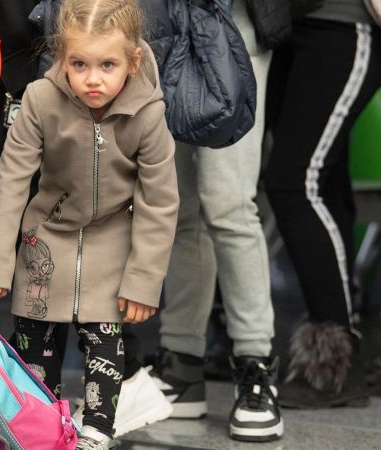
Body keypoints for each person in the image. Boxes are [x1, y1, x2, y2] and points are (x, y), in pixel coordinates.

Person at [0, 0, 180, 447]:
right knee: (35, 354)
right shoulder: (41, 99)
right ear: (61, 57)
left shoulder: (148, 112)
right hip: (44, 243)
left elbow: (159, 202)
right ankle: (40, 428)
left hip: (111, 247)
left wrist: (143, 280)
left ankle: (97, 432)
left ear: (133, 61)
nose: (93, 78)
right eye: (79, 64)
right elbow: (10, 183)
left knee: (105, 349)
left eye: (108, 65)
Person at [145, 0, 282, 442]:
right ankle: (182, 363)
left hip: (232, 16)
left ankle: (256, 364)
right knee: (178, 205)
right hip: (159, 18)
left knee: (228, 203)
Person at [263, 0, 381, 408]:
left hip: (346, 23)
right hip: (288, 25)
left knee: (294, 183)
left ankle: (337, 361)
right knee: (324, 181)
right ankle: (341, 350)